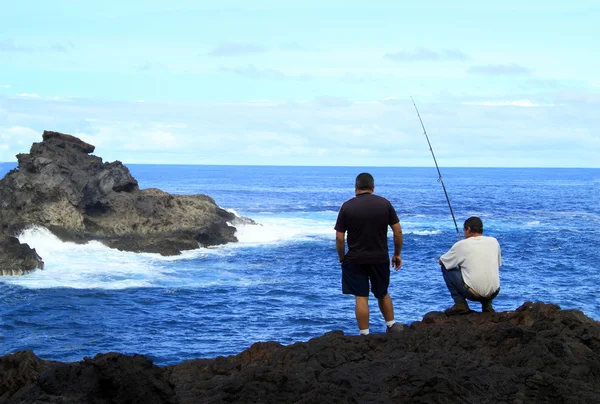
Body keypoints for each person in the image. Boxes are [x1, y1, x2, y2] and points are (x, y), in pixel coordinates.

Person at [334, 172, 404, 335]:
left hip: (355, 259)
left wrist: (342, 258)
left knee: (361, 296)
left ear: (355, 187)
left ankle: (365, 334)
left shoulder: (347, 206)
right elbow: (398, 231)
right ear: (373, 187)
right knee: (382, 292)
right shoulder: (384, 204)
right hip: (379, 257)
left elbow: (339, 237)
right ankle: (391, 325)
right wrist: (397, 254)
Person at [438, 216, 501, 315]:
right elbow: (497, 264)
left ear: (468, 229)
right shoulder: (494, 241)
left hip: (473, 294)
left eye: (464, 230)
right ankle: (487, 305)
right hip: (494, 293)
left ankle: (460, 303)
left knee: (446, 268)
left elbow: (442, 261)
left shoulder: (462, 244)